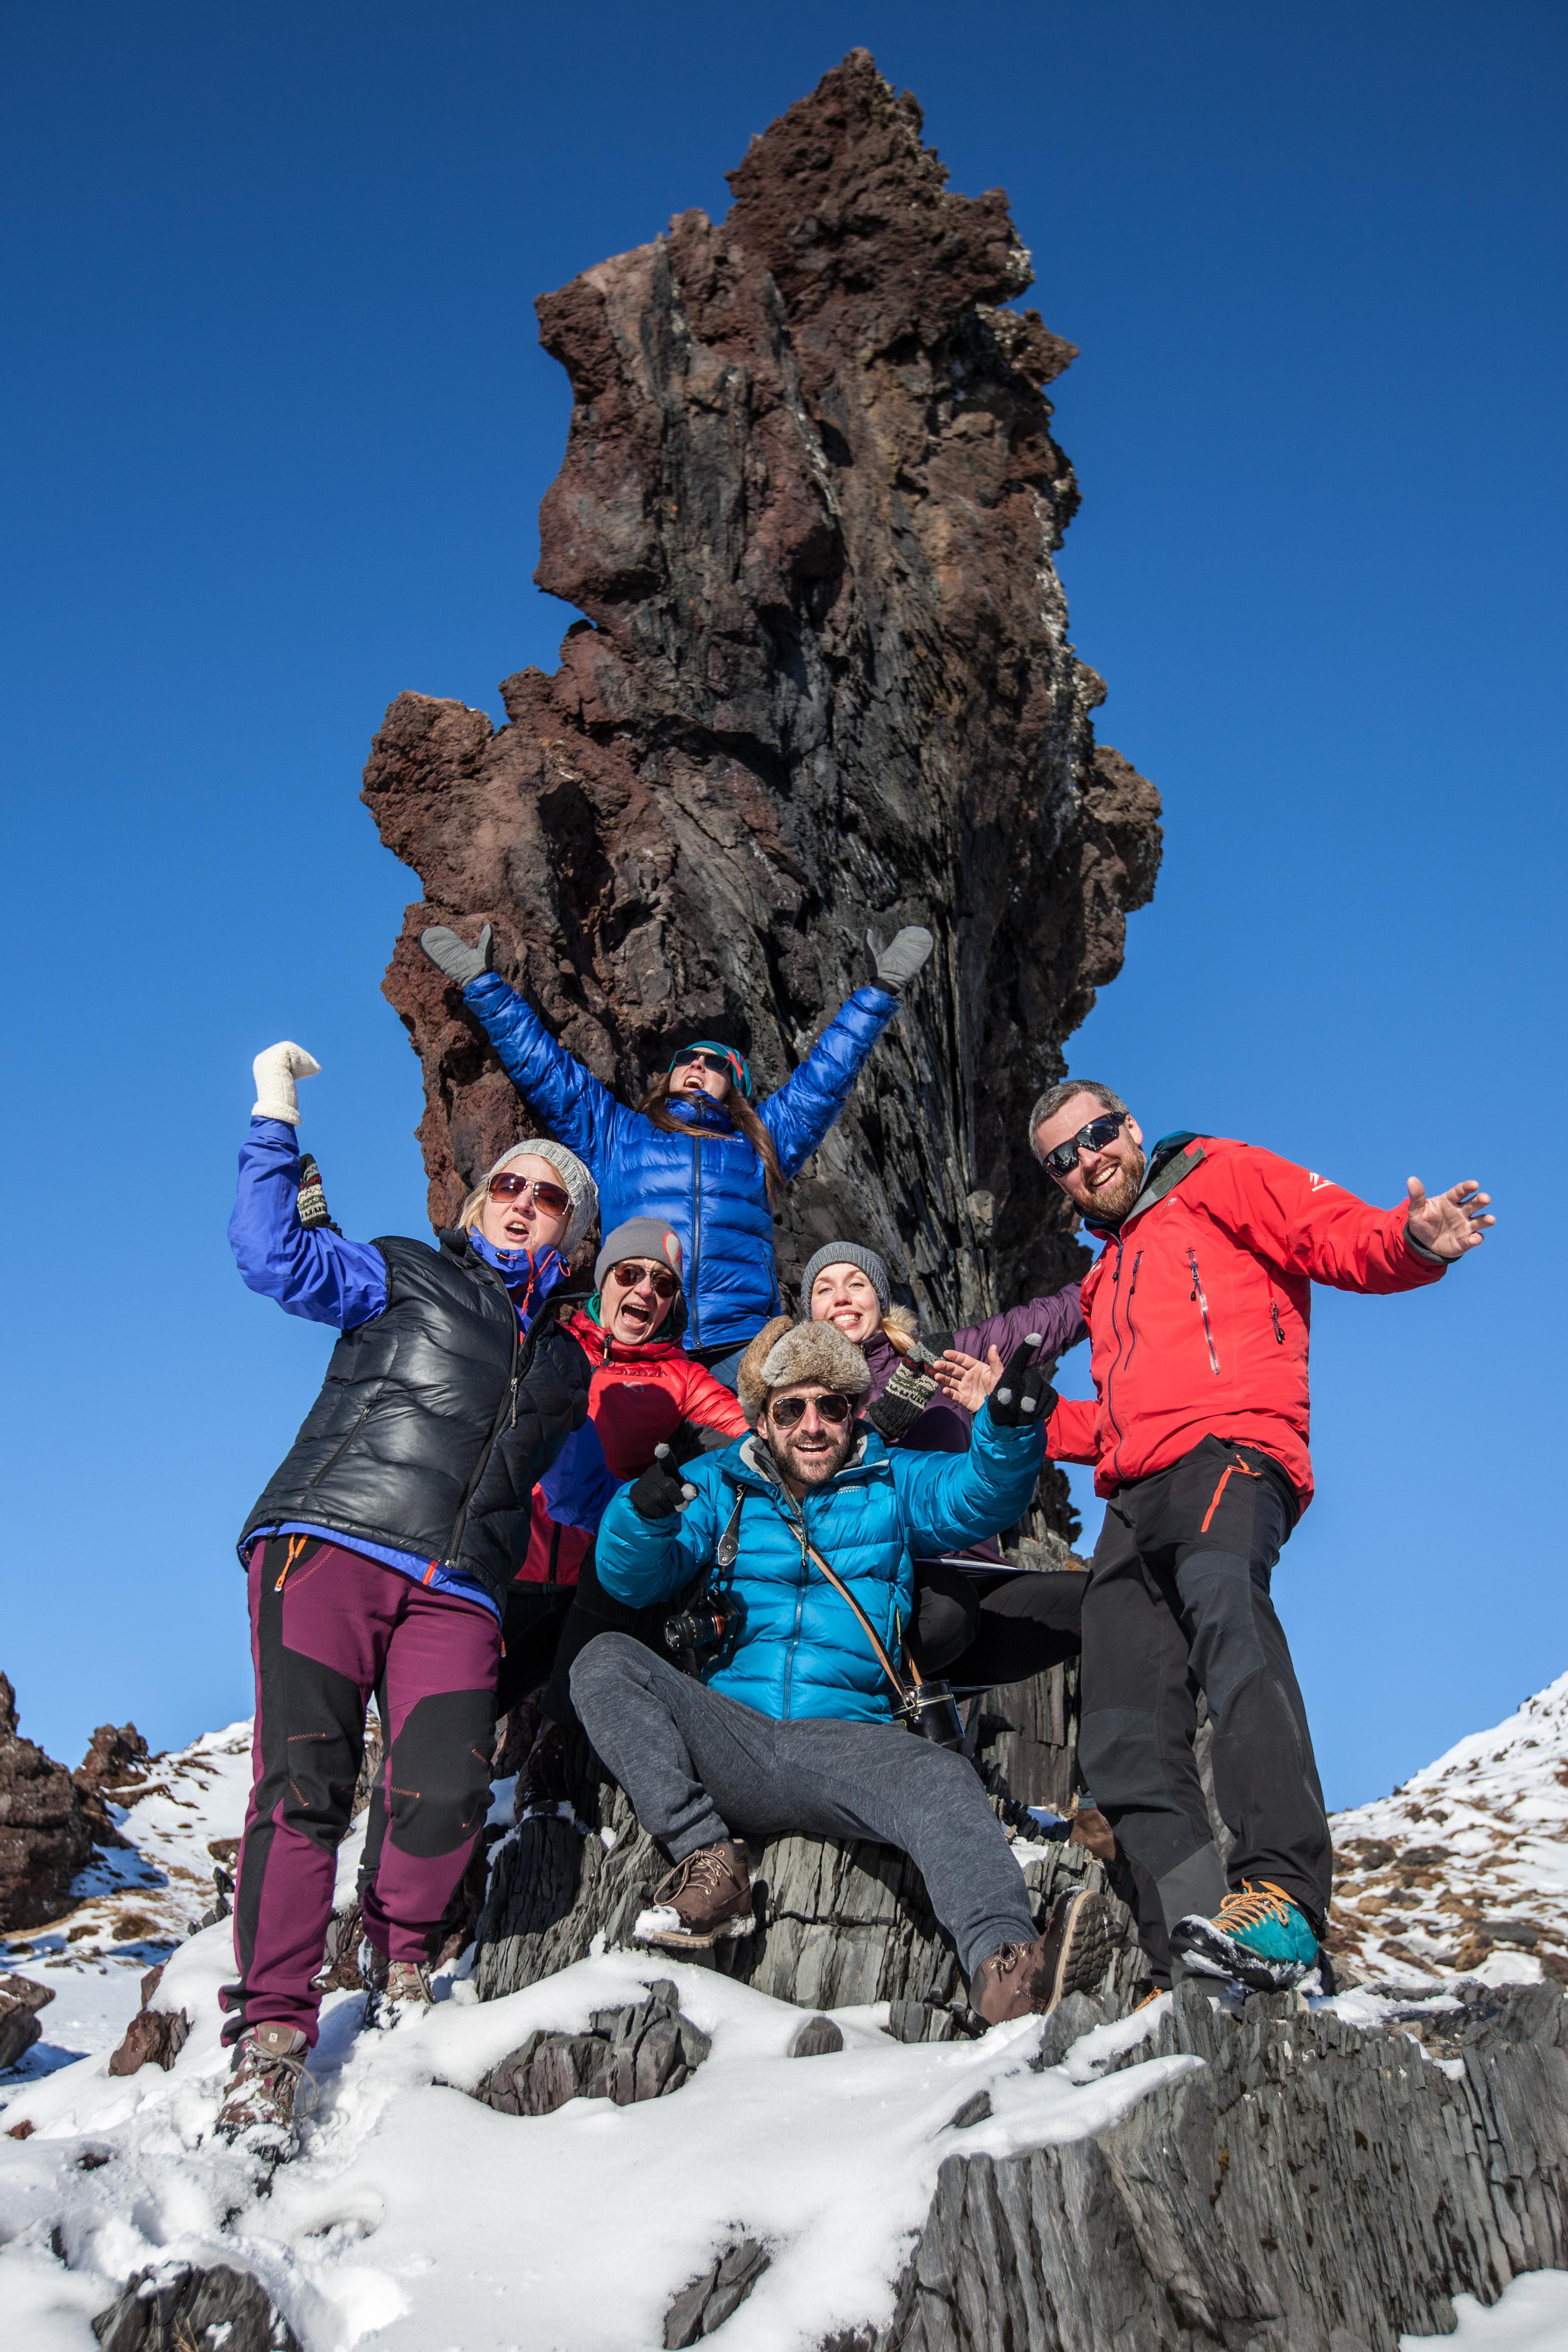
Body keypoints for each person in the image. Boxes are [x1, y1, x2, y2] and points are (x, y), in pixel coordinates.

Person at [1029, 1080, 1494, 1993]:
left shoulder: (1213, 1173)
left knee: (1226, 1617)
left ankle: (1281, 1893)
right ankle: (1189, 1958)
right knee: (1121, 1733)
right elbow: (1117, 1422)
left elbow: (1329, 1233)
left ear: (1127, 1127)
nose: (1085, 1162)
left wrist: (1409, 1243)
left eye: (1093, 1138)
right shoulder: (1106, 1272)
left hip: (1230, 1451)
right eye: (1062, 1160)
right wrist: (1023, 1421)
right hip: (1134, 1496)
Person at [216, 1041, 596, 2156]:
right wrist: (272, 1114)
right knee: (305, 1791)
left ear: (569, 1231)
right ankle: (274, 2036)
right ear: (480, 1204)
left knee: (441, 1792)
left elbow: (573, 1488)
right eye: (509, 1187)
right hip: (332, 1539)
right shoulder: (399, 1271)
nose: (527, 1203)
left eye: (551, 1196)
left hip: (460, 1590)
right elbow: (270, 1253)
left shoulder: (568, 1365)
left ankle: (398, 1953)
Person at [569, 1316, 1111, 2025]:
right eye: (790, 1408)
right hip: (731, 1732)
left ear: (856, 1410)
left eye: (831, 1405)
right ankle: (708, 1860)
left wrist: (1008, 1433)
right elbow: (630, 1580)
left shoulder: (893, 1480)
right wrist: (640, 1518)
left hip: (847, 1743)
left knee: (945, 1777)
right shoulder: (716, 1483)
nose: (812, 1425)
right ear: (762, 1420)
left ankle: (1006, 1969)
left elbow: (978, 1494)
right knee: (604, 1660)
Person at [417, 918, 935, 1382]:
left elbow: (825, 1078)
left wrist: (880, 991)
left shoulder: (760, 1142)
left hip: (745, 1347)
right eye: (688, 1057)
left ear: (733, 1088)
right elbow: (548, 1072)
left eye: (717, 1065)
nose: (698, 1064)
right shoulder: (619, 1134)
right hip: (642, 1336)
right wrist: (482, 986)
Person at [503, 1217, 748, 1812]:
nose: (644, 1292)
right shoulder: (550, 1342)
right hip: (512, 1567)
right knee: (455, 1715)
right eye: (630, 1274)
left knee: (575, 1701)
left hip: (599, 1586)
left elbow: (745, 1443)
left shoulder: (683, 1379)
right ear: (604, 1278)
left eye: (662, 1285)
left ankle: (553, 1769)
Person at [800, 1241, 1089, 1698]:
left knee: (1105, 1601)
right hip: (879, 1592)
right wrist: (875, 1429)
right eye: (824, 1289)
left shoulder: (940, 1358)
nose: (842, 1298)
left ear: (879, 1299)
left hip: (975, 1577)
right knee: (946, 1615)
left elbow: (1048, 1320)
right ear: (808, 1310)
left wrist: (1128, 1256)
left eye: (857, 1284)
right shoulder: (799, 1399)